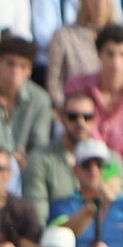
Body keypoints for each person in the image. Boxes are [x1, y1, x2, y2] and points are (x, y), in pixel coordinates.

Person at [64, 24, 123, 187]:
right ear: (98, 54)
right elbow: (74, 135)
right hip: (82, 176)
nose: (116, 62)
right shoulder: (76, 87)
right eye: (110, 54)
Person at [50, 137, 123, 247]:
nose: (94, 170)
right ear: (75, 170)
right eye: (87, 165)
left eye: (100, 164)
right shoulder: (62, 205)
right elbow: (57, 236)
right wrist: (92, 208)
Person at [45, 0, 117, 108]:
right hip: (75, 113)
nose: (101, 1)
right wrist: (72, 112)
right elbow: (54, 83)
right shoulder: (64, 35)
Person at [23, 90, 98, 222]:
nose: (80, 122)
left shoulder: (110, 159)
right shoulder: (40, 158)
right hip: (56, 236)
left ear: (94, 119)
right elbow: (37, 213)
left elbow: (119, 203)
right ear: (62, 118)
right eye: (73, 116)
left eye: (87, 117)